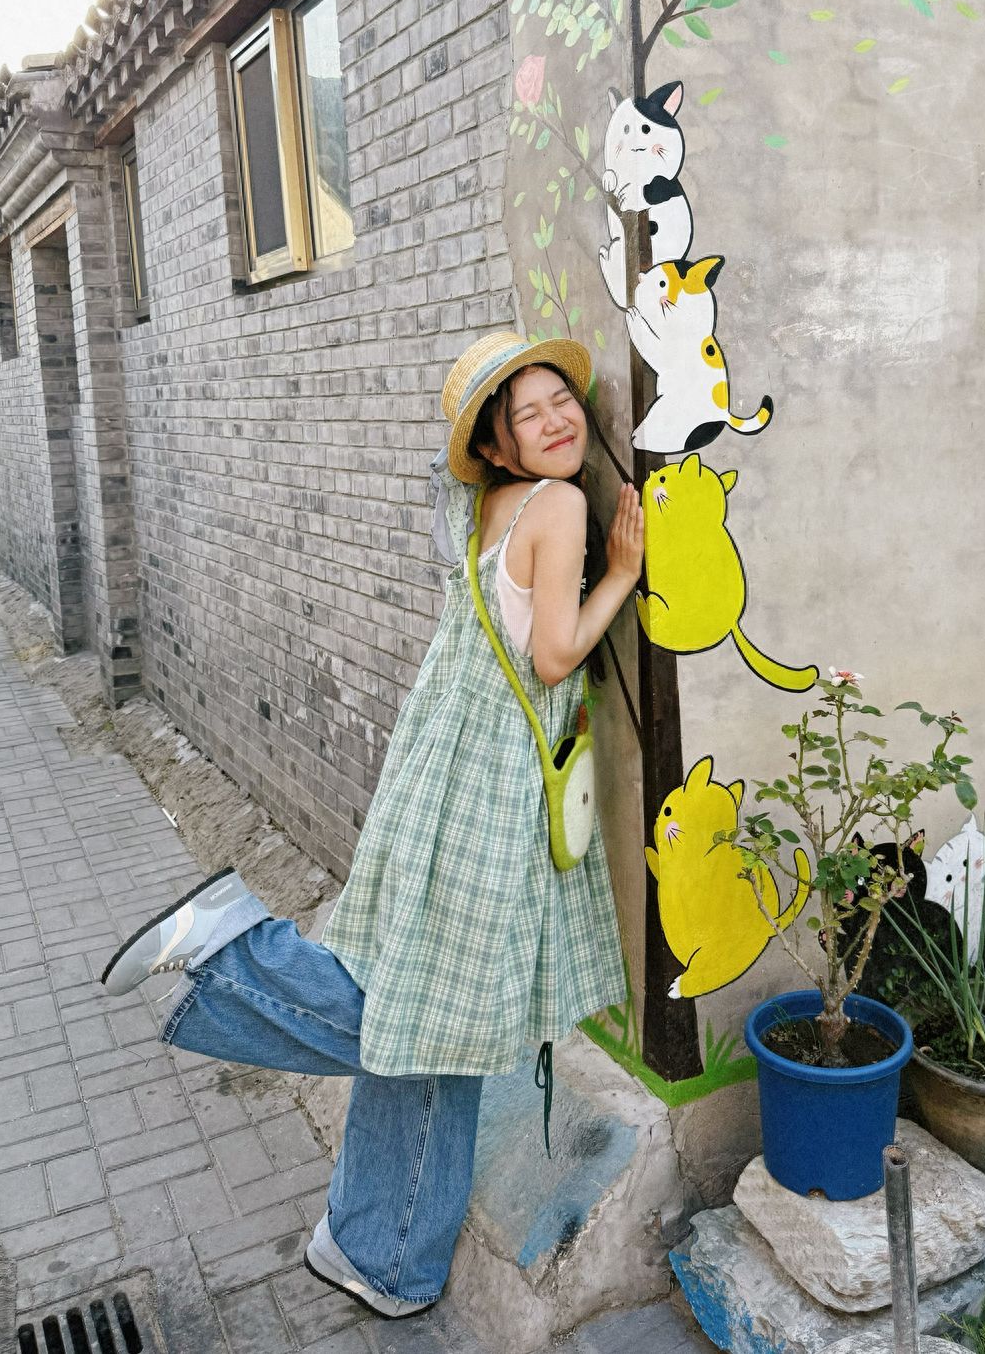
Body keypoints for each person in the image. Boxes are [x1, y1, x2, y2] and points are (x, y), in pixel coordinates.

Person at [99, 331, 644, 1319]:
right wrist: (620, 568)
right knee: (439, 1015)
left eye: (560, 398)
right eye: (528, 413)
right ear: (499, 445)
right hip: (489, 793)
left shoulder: (484, 504)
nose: (558, 419)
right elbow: (557, 654)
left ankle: (378, 1247)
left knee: (435, 1018)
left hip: (441, 766)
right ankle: (238, 952)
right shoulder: (559, 503)